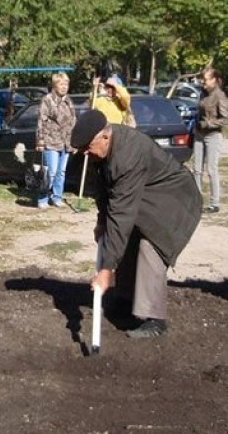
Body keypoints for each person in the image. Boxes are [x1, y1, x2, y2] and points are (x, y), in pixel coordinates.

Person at [72, 109, 201, 339]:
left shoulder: (128, 154)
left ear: (104, 137)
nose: (84, 154)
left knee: (151, 243)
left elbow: (121, 214)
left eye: (87, 147)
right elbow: (103, 190)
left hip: (175, 198)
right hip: (147, 195)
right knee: (126, 235)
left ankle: (154, 319)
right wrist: (101, 221)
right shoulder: (98, 153)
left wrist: (106, 270)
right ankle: (126, 299)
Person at [35, 72, 76, 209]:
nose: (64, 87)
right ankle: (42, 198)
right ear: (54, 85)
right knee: (50, 172)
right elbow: (41, 121)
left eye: (66, 84)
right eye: (61, 84)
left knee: (61, 172)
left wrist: (75, 142)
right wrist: (40, 141)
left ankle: (57, 197)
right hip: (51, 141)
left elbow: (73, 121)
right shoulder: (47, 100)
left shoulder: (68, 101)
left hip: (66, 142)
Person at [193, 68, 228, 214]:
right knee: (196, 169)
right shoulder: (203, 93)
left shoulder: (219, 95)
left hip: (213, 135)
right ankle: (196, 201)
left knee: (211, 170)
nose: (203, 82)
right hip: (199, 134)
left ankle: (214, 204)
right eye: (202, 79)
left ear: (214, 80)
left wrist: (209, 124)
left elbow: (226, 119)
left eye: (206, 79)